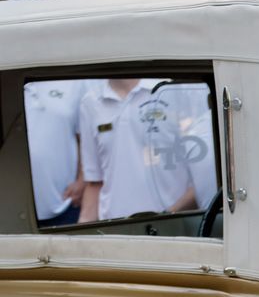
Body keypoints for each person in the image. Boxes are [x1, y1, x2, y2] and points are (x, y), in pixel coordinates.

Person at [76, 78, 216, 222]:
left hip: (176, 227)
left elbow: (207, 176)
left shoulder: (174, 90)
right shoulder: (90, 101)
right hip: (114, 232)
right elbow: (95, 183)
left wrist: (167, 216)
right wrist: (80, 237)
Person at [24, 79, 88, 226]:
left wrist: (82, 180)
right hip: (10, 207)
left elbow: (85, 137)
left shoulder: (74, 82)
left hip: (64, 205)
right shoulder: (6, 78)